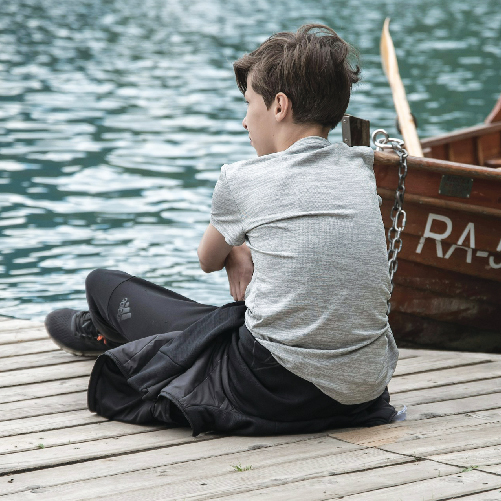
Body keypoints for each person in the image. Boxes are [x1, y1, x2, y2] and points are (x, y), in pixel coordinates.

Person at [45, 24, 399, 436]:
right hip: (364, 391)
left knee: (103, 284)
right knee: (227, 320)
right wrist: (244, 247)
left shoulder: (242, 178)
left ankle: (105, 326)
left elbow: (207, 259)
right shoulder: (360, 168)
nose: (244, 121)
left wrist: (234, 250)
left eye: (249, 103)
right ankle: (117, 329)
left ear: (279, 106)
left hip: (271, 388)